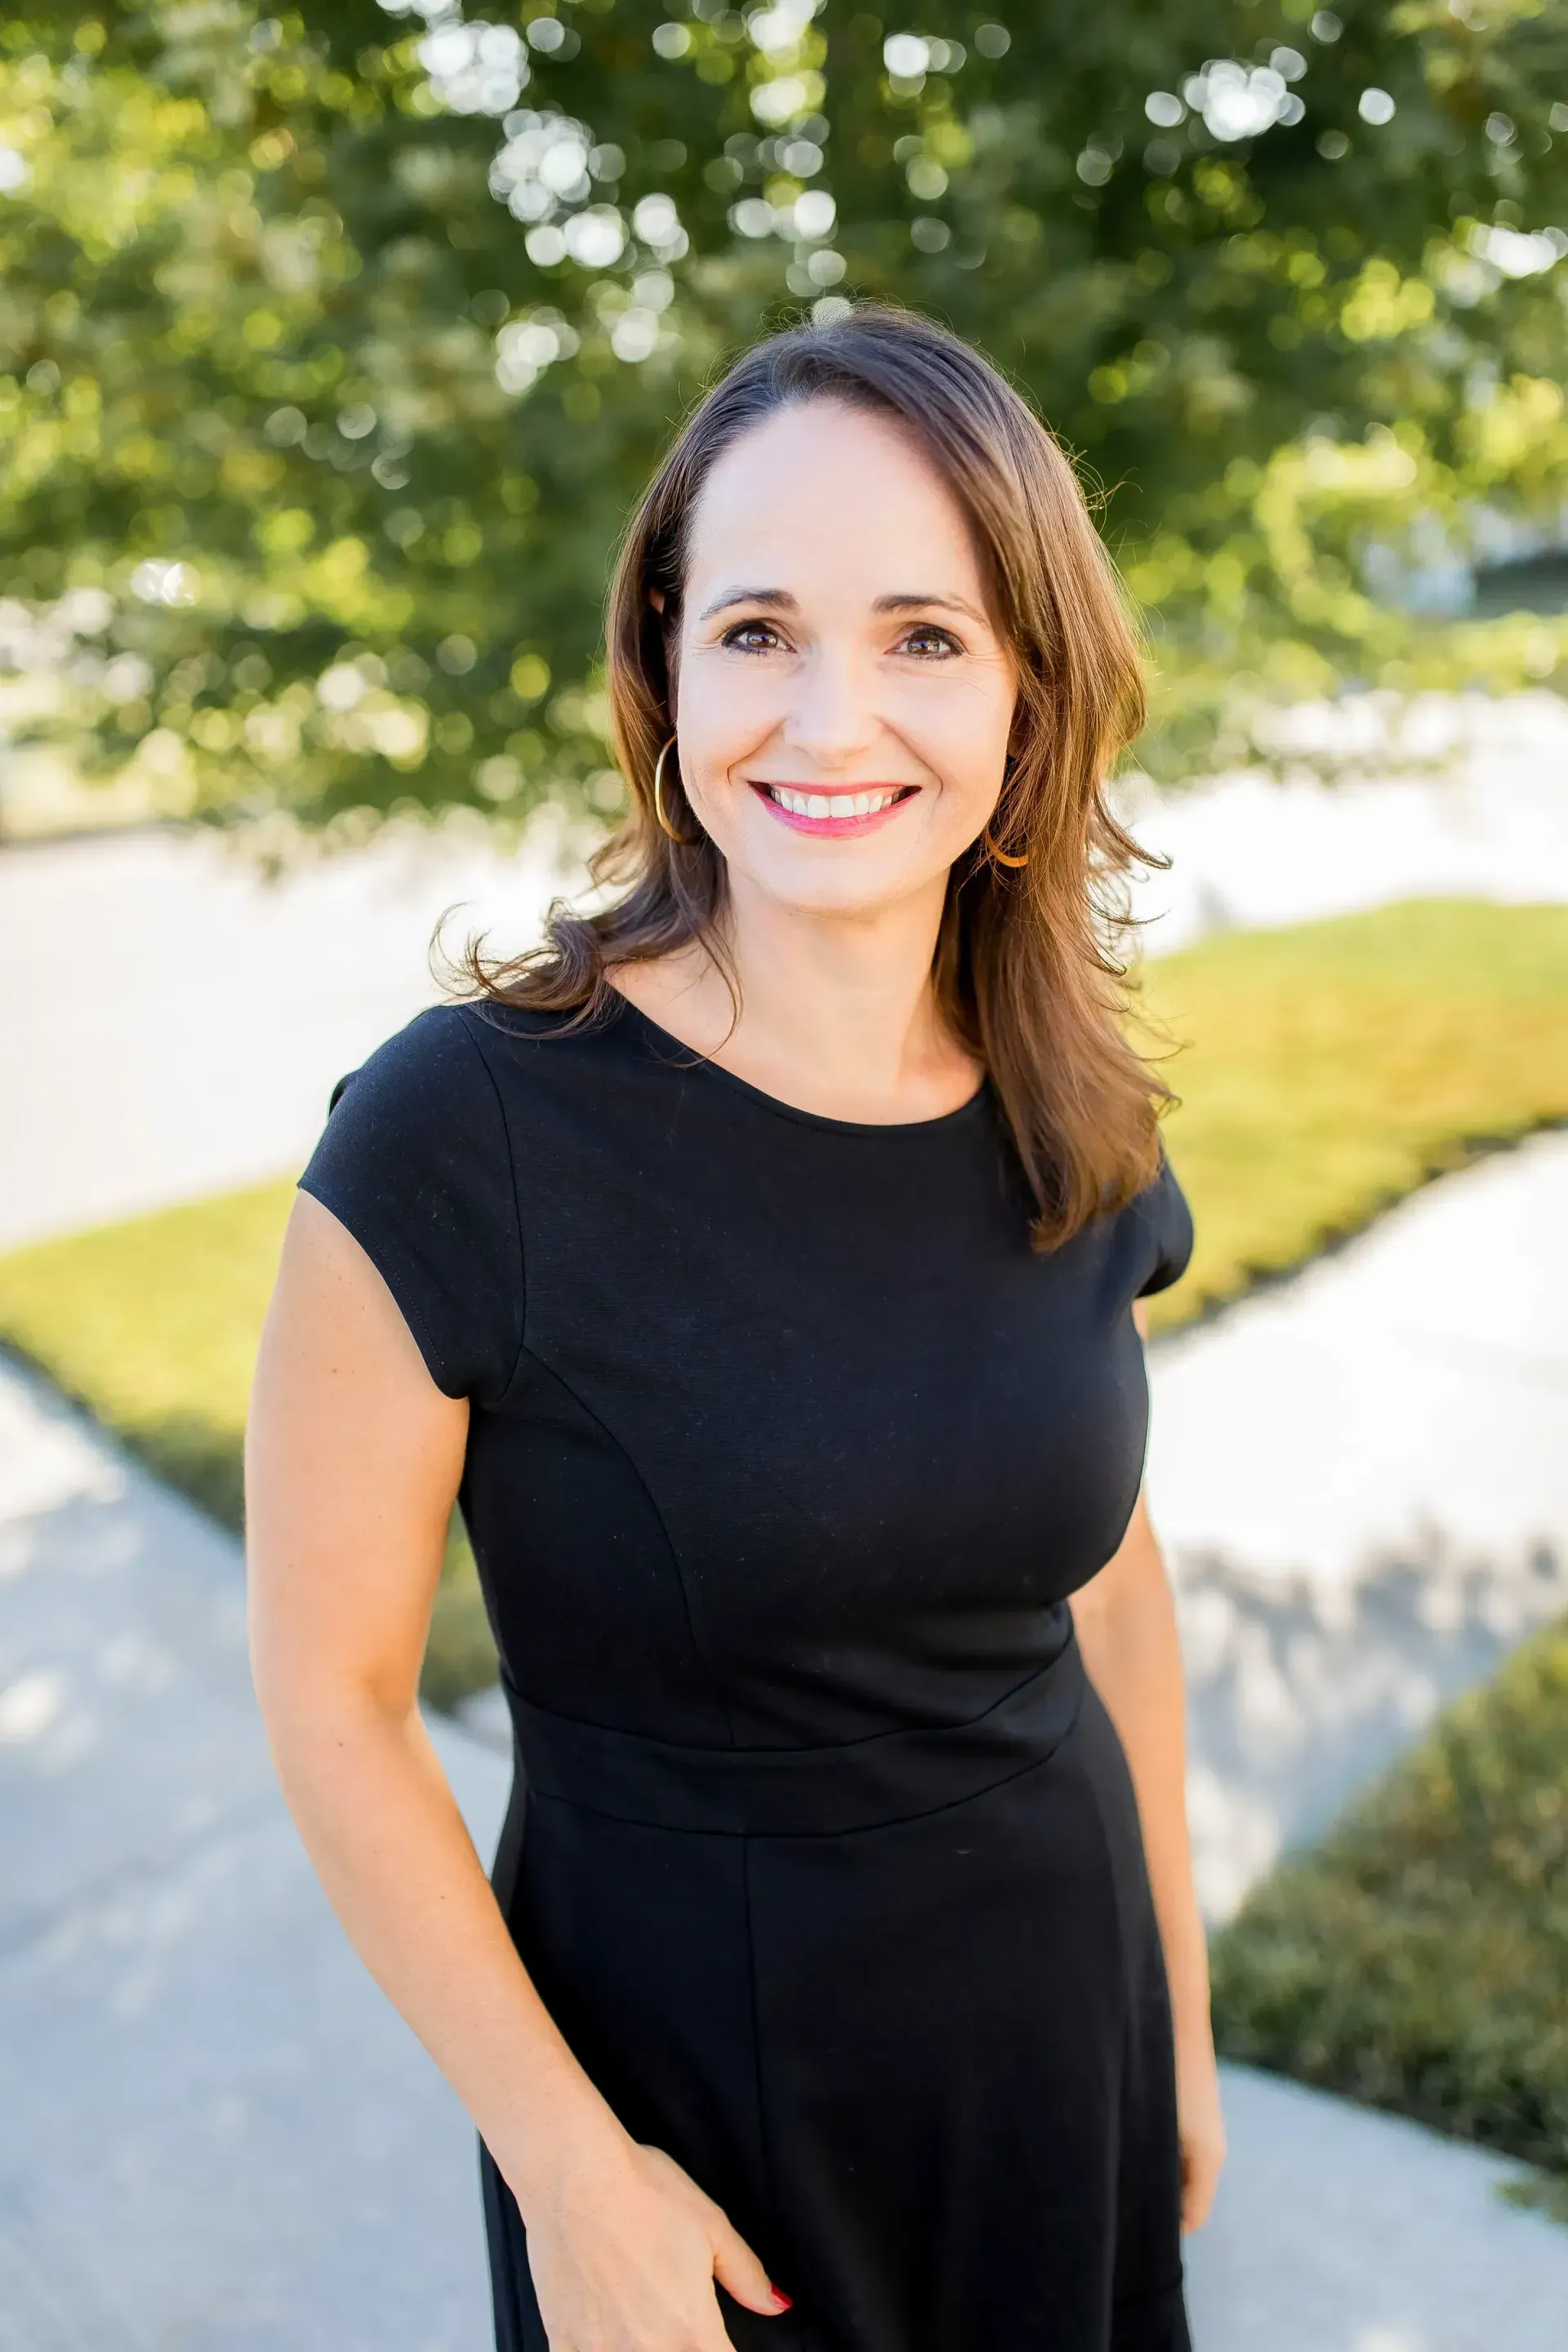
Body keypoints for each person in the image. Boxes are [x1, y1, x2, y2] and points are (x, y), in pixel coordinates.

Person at [246, 302, 1226, 2352]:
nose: (830, 717)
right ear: (668, 668)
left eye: (926, 637)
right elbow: (334, 1700)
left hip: (1062, 2036)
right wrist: (570, 2176)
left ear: (1032, 703)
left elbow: (1109, 1588)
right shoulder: (468, 1133)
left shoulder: (1071, 1099)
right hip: (690, 2125)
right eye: (761, 630)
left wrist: (1178, 2023)